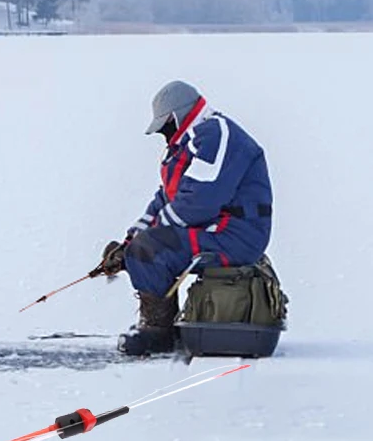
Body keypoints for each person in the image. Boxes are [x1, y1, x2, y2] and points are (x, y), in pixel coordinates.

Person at [102, 81, 273, 355]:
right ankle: (158, 326)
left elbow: (199, 202)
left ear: (174, 117)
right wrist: (130, 241)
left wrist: (144, 244)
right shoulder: (190, 143)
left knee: (150, 250)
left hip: (236, 235)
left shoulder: (216, 134)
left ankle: (158, 333)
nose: (163, 135)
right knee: (143, 248)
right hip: (218, 231)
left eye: (163, 127)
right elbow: (166, 198)